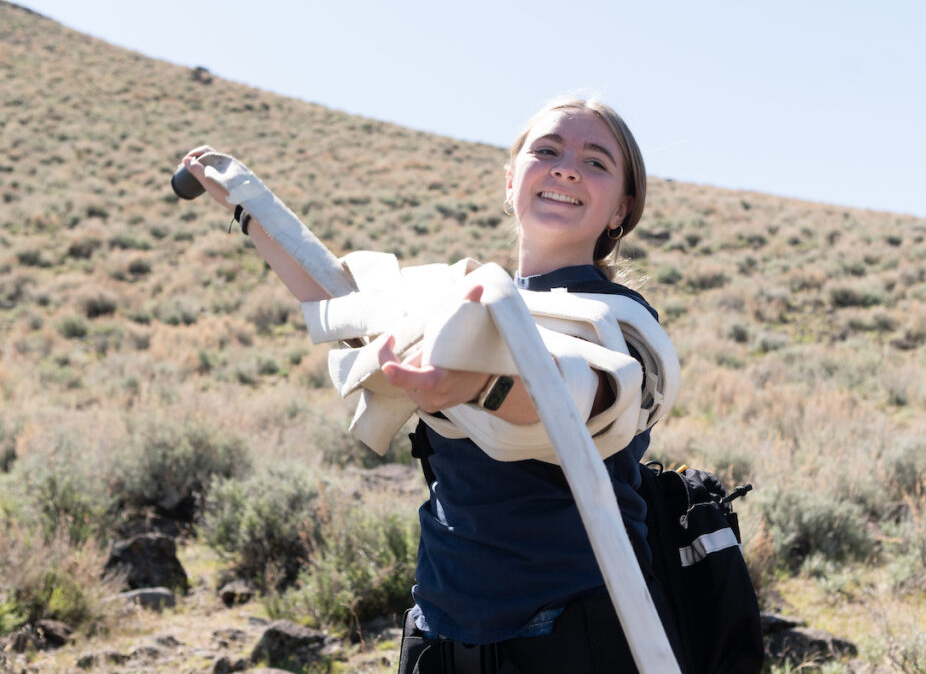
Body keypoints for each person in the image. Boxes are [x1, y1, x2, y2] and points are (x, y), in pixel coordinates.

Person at [182, 97, 677, 674]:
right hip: (442, 624)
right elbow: (341, 301)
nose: (566, 167)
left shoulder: (618, 319)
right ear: (511, 180)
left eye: (595, 161)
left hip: (571, 630)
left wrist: (473, 388)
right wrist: (247, 203)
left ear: (622, 208)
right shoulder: (452, 301)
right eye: (546, 151)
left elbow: (590, 395)